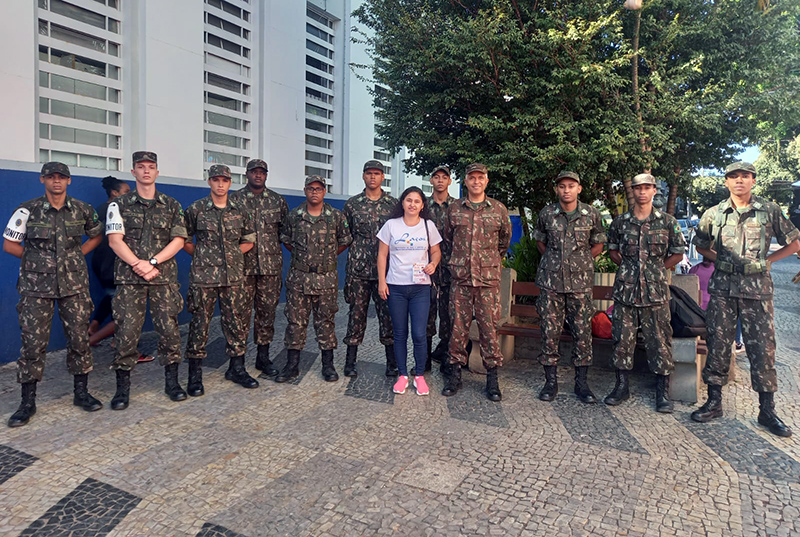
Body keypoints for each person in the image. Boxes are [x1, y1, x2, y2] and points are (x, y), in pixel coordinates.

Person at [691, 161, 800, 437]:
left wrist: (767, 262)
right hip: (723, 291)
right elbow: (700, 244)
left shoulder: (769, 211)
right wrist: (722, 261)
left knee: (763, 349)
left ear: (753, 180)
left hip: (757, 292)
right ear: (726, 181)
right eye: (734, 176)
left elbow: (795, 242)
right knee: (717, 344)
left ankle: (767, 410)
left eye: (745, 176)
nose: (739, 180)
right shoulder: (714, 214)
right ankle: (714, 403)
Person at [4, 162, 104, 427]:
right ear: (42, 180)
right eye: (51, 177)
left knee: (79, 338)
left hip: (74, 285)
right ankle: (27, 402)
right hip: (36, 288)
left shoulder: (83, 209)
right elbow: (9, 244)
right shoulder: (27, 210)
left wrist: (76, 256)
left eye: (62, 177)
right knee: (33, 344)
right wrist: (37, 261)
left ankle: (81, 393)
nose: (56, 181)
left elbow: (96, 236)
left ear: (69, 181)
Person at [106, 151, 188, 409]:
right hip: (130, 280)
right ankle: (122, 390)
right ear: (133, 172)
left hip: (162, 279)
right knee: (127, 333)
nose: (146, 171)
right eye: (141, 167)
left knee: (169, 331)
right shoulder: (119, 205)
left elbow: (178, 240)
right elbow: (114, 240)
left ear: (157, 172)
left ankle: (172, 383)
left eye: (151, 167)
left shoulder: (172, 205)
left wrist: (152, 262)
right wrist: (137, 264)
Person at [604, 173, 685, 413]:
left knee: (660, 342)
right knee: (622, 340)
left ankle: (662, 393)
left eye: (647, 188)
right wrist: (631, 269)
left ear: (653, 191)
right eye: (638, 188)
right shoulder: (620, 222)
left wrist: (656, 269)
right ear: (633, 191)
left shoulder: (667, 222)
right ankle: (621, 387)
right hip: (626, 292)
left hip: (655, 293)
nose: (642, 192)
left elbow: (677, 253)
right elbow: (613, 252)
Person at [183, 164, 258, 396]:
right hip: (204, 277)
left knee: (236, 323)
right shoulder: (196, 209)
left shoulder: (240, 210)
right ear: (209, 182)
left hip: (233, 276)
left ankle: (237, 368)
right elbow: (183, 239)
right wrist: (202, 256)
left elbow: (249, 239)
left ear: (230, 183)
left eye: (224, 180)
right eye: (216, 180)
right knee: (200, 324)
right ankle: (195, 376)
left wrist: (233, 255)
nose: (220, 184)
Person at [533, 171, 606, 404]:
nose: (566, 190)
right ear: (557, 189)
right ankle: (550, 382)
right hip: (551, 284)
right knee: (549, 332)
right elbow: (540, 241)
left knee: (582, 333)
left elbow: (599, 243)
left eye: (571, 186)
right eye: (562, 186)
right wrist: (557, 263)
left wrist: (580, 261)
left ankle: (581, 383)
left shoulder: (591, 214)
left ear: (579, 189)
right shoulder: (547, 214)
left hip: (580, 284)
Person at [442, 163, 512, 401]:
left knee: (489, 329)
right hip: (461, 280)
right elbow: (447, 240)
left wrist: (488, 262)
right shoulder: (454, 209)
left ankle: (492, 379)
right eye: (472, 178)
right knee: (457, 329)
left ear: (486, 181)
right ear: (466, 181)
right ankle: (454, 375)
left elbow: (504, 242)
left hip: (487, 282)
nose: (476, 182)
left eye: (480, 178)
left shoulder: (498, 210)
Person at [277, 175, 352, 383]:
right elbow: (287, 241)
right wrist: (305, 261)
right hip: (299, 278)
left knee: (326, 321)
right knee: (295, 323)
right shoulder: (295, 216)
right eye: (311, 188)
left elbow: (344, 241)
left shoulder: (335, 216)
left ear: (324, 192)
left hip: (325, 278)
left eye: (318, 189)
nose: (314, 192)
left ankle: (328, 366)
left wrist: (325, 260)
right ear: (305, 190)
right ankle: (292, 366)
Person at [377, 187, 442, 395]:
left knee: (419, 334)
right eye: (408, 200)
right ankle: (403, 375)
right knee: (399, 333)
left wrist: (433, 263)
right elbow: (382, 255)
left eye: (417, 201)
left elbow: (436, 251)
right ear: (402, 203)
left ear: (422, 205)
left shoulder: (428, 226)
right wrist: (381, 282)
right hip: (396, 286)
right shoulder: (391, 225)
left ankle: (420, 375)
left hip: (420, 288)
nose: (412, 204)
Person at [229, 159, 288, 378]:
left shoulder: (277, 201)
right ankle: (237, 362)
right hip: (242, 268)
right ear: (247, 174)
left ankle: (263, 357)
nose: (258, 175)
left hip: (270, 268)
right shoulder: (234, 200)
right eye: (254, 172)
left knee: (267, 314)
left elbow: (285, 233)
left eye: (262, 172)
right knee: (239, 315)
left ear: (266, 175)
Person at [87, 177, 154, 362]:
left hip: (100, 264)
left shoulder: (100, 209)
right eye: (125, 191)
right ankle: (95, 340)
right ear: (115, 193)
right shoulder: (121, 211)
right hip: (115, 265)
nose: (130, 194)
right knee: (127, 311)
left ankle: (94, 327)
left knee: (111, 298)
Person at [342, 160, 398, 377]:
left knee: (388, 316)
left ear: (383, 177)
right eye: (369, 173)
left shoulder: (393, 205)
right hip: (359, 270)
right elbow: (345, 235)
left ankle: (391, 362)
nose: (373, 177)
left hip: (386, 271)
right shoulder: (352, 204)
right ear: (363, 176)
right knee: (356, 314)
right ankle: (350, 361)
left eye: (377, 173)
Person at [426, 166, 457, 369]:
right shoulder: (422, 206)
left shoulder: (457, 206)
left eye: (444, 177)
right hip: (425, 268)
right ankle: (425, 359)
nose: (440, 181)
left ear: (449, 182)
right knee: (426, 314)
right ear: (431, 180)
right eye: (436, 177)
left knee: (448, 315)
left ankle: (446, 356)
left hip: (449, 268)